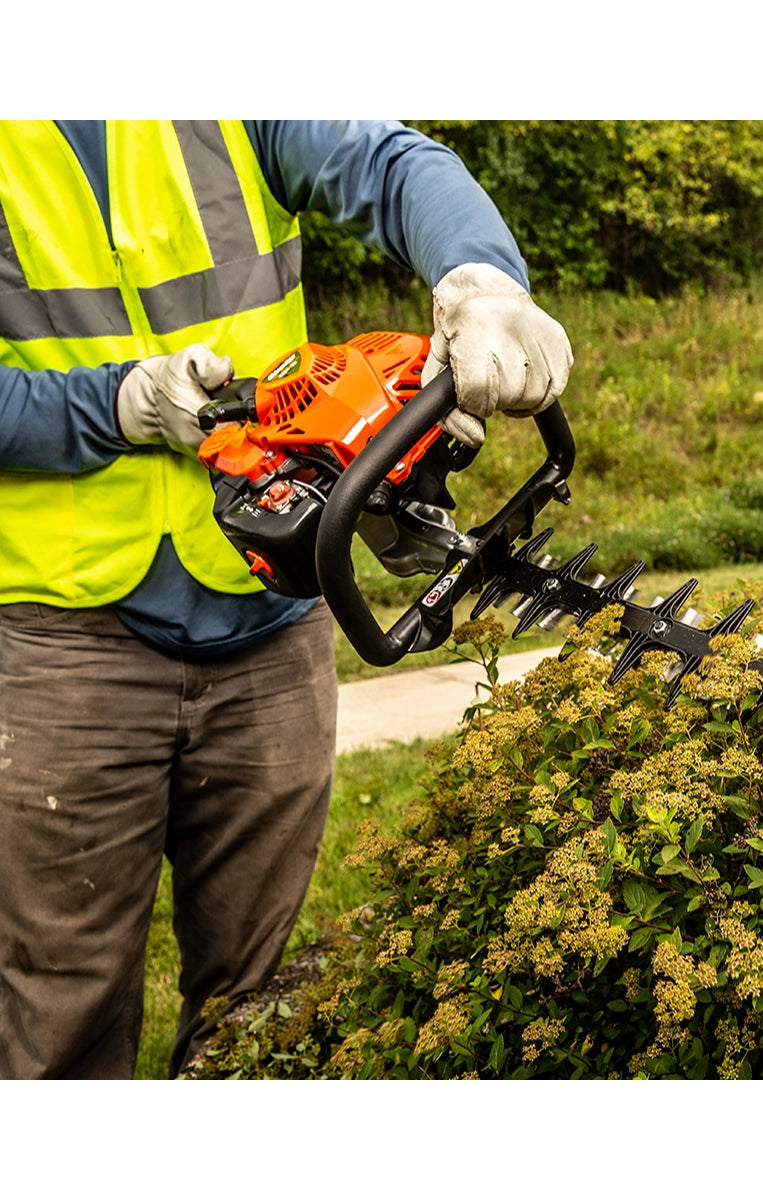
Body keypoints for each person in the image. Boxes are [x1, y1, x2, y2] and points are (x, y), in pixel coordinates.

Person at [0, 120, 572, 1079]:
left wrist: (482, 283)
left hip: (272, 620)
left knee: (257, 1012)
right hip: (65, 636)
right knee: (59, 1003)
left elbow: (395, 165)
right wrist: (111, 406)